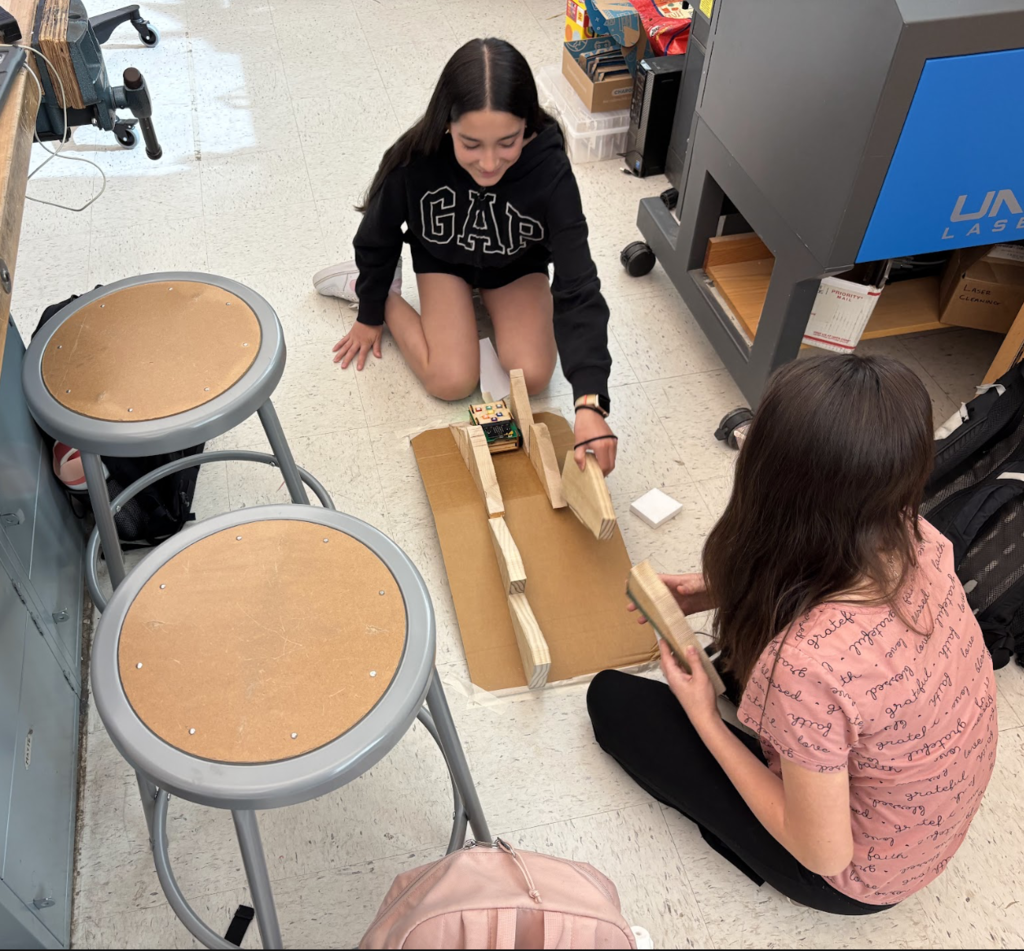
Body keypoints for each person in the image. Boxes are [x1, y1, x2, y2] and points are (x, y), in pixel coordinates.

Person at [588, 354, 998, 914]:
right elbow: (821, 572)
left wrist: (706, 718)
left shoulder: (805, 665)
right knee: (737, 661)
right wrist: (714, 590)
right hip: (921, 829)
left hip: (853, 878)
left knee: (613, 702)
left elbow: (822, 854)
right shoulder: (917, 534)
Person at [312, 38, 618, 474]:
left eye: (508, 142)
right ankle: (365, 286)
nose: (489, 163)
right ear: (446, 125)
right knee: (450, 380)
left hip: (515, 266)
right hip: (445, 262)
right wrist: (371, 310)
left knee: (532, 375)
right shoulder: (415, 160)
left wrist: (590, 402)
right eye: (471, 144)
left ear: (528, 126)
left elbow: (578, 284)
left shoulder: (549, 169)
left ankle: (481, 303)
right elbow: (377, 236)